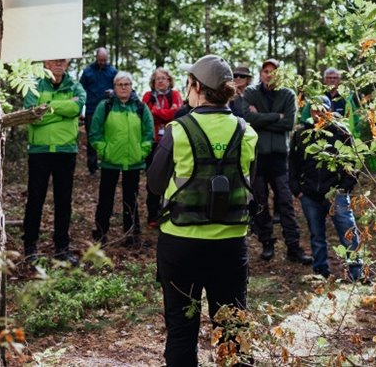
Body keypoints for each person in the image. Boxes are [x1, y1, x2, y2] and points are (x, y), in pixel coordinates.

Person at [147, 55, 258, 366]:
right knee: (233, 328)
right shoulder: (246, 132)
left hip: (181, 245)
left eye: (188, 84)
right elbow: (252, 184)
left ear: (197, 86)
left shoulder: (178, 130)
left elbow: (155, 185)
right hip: (230, 244)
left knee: (182, 330)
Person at [242, 59, 311, 264]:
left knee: (286, 202)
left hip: (280, 157)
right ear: (261, 73)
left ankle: (293, 247)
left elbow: (289, 123)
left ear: (279, 74)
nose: (269, 75)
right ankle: (267, 243)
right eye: (265, 71)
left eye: (273, 71)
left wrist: (261, 118)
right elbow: (247, 118)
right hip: (259, 156)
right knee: (260, 201)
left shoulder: (288, 94)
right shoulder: (251, 93)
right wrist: (275, 117)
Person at [289, 96, 363, 281]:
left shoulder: (341, 132)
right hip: (310, 194)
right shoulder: (301, 134)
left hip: (336, 193)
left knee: (348, 232)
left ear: (329, 110)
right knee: (316, 235)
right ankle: (320, 271)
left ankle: (356, 272)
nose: (318, 114)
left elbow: (353, 162)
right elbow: (293, 164)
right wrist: (297, 189)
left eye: (322, 109)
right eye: (314, 110)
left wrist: (344, 188)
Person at [22, 58, 87, 264]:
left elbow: (76, 109)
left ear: (67, 63)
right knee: (35, 199)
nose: (59, 62)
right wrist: (62, 112)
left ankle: (62, 248)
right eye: (54, 59)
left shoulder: (76, 86)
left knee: (63, 201)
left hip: (66, 151)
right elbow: (33, 115)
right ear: (46, 63)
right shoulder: (33, 84)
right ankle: (30, 248)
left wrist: (47, 106)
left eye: (63, 59)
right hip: (39, 151)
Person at [90, 72, 155, 246]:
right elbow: (95, 132)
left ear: (132, 86)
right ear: (114, 87)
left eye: (127, 84)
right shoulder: (105, 106)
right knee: (106, 199)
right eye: (120, 84)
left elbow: (149, 134)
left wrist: (142, 152)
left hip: (133, 162)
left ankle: (132, 236)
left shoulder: (140, 107)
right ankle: (101, 234)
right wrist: (104, 151)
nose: (124, 87)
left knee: (131, 200)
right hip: (110, 161)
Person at [143, 68, 183, 229]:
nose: (160, 81)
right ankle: (153, 214)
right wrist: (164, 113)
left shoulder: (175, 95)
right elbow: (146, 114)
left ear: (169, 81)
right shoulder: (147, 96)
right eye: (157, 79)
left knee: (172, 177)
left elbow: (176, 114)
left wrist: (157, 112)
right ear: (153, 82)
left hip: (171, 141)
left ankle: (169, 212)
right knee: (153, 177)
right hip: (153, 142)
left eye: (164, 78)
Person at [80, 47, 118, 175]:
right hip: (91, 109)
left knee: (109, 136)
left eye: (104, 60)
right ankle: (92, 167)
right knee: (92, 138)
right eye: (100, 60)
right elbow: (80, 90)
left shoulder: (113, 72)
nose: (102, 62)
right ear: (96, 58)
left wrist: (113, 92)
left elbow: (119, 88)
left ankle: (108, 163)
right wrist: (80, 110)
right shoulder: (88, 71)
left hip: (109, 109)